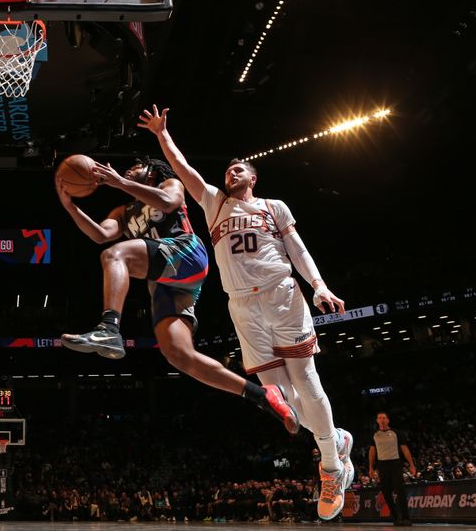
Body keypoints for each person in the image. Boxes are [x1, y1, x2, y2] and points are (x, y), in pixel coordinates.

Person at [138, 105, 353, 521]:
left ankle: (330, 467)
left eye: (240, 170)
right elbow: (183, 170)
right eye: (229, 170)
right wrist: (162, 135)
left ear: (254, 178)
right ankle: (336, 440)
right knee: (282, 402)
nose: (232, 174)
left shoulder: (274, 207)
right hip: (242, 307)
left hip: (281, 295)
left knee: (306, 384)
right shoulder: (214, 203)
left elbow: (297, 250)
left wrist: (319, 286)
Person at [57, 157, 299, 432]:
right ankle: (263, 395)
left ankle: (109, 327)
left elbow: (168, 203)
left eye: (136, 166)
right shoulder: (123, 212)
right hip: (164, 281)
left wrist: (120, 182)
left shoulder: (170, 184)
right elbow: (101, 233)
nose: (128, 169)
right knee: (178, 355)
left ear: (151, 172)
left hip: (186, 253)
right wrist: (71, 206)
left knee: (115, 254)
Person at [368, 412, 416, 526]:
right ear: (377, 421)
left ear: (388, 420)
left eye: (384, 418)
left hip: (395, 463)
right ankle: (396, 517)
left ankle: (405, 517)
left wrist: (411, 464)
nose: (382, 420)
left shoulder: (396, 433)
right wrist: (371, 467)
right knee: (386, 492)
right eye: (380, 418)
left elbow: (404, 449)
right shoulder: (374, 434)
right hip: (382, 465)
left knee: (400, 490)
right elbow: (372, 451)